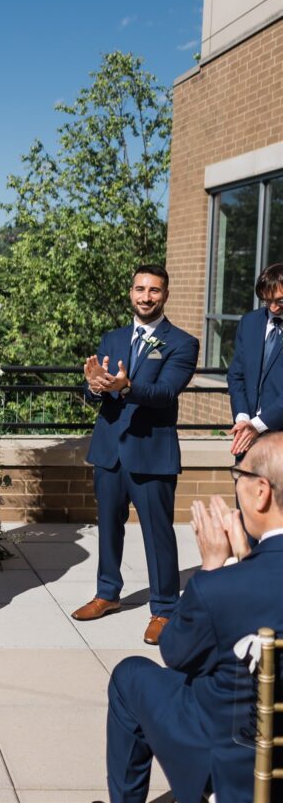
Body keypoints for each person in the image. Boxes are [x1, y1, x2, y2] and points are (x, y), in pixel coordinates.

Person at [106, 432, 283, 803]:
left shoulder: (220, 588)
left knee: (131, 675)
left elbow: (176, 654)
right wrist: (245, 558)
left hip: (238, 765)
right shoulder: (242, 580)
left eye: (241, 477)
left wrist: (213, 567)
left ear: (262, 491)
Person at [72, 265, 199, 645]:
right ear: (131, 292)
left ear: (165, 295)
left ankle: (163, 608)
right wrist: (94, 387)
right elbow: (95, 387)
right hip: (110, 451)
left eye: (154, 291)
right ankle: (107, 594)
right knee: (108, 528)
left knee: (158, 534)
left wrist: (127, 387)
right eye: (140, 289)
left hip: (151, 452)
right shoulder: (113, 337)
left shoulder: (182, 342)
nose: (146, 297)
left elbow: (165, 394)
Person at [228, 262, 283, 457]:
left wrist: (258, 425)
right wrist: (242, 417)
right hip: (247, 437)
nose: (274, 308)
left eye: (280, 301)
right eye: (267, 301)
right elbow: (236, 376)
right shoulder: (249, 322)